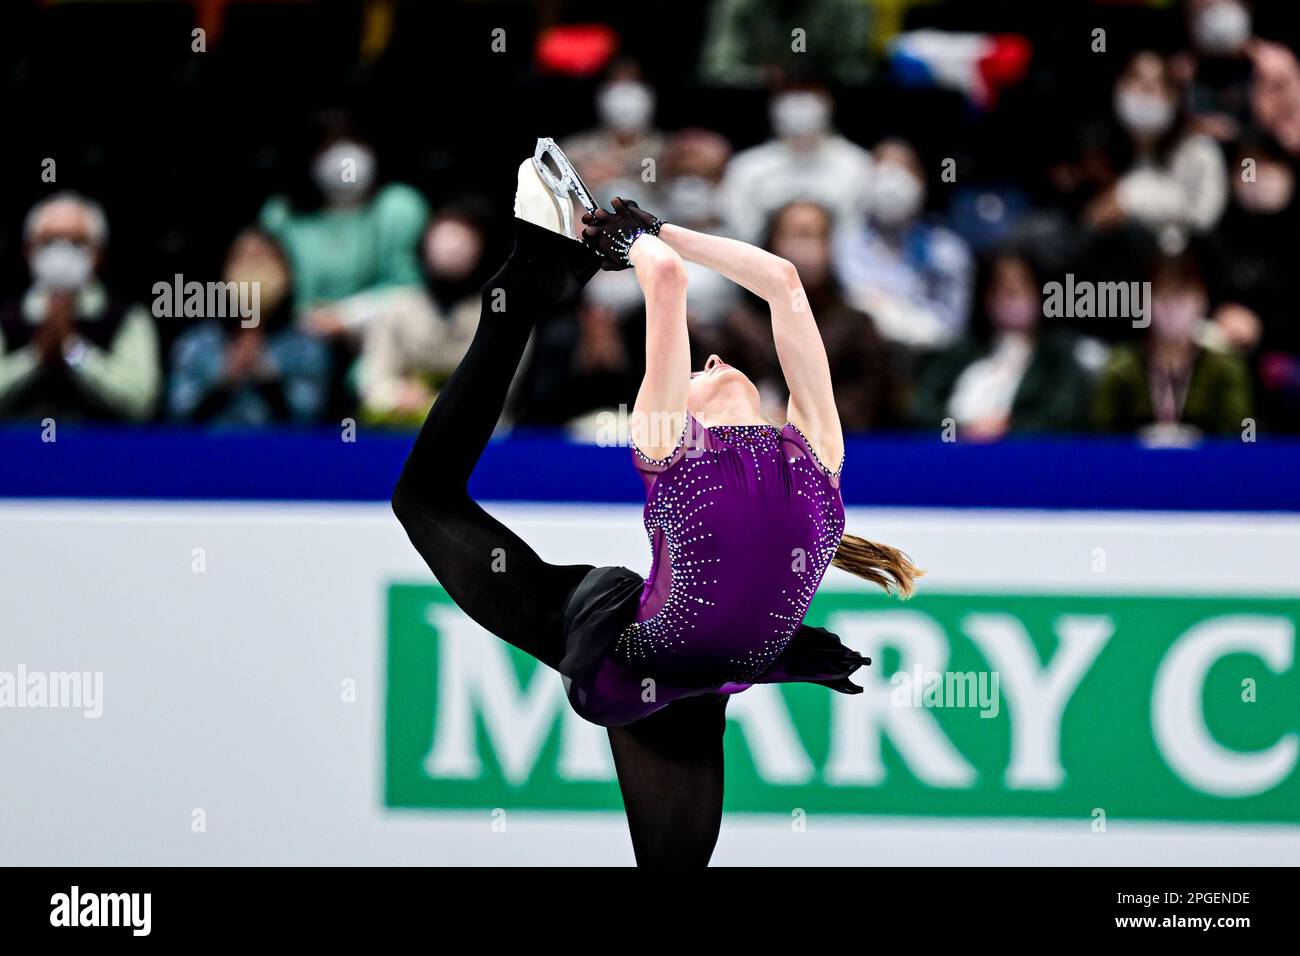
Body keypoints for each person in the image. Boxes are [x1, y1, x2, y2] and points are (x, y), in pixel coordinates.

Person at [391, 146, 921, 867]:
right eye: (702, 365)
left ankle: (519, 295)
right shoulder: (816, 455)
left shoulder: (678, 443)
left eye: (704, 366)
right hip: (677, 662)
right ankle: (511, 300)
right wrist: (649, 236)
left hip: (634, 655)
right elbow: (779, 283)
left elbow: (713, 281)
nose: (710, 362)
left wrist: (639, 239)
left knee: (425, 498)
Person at [712, 201, 897, 430]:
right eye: (797, 235)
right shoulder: (738, 324)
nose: (805, 248)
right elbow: (717, 393)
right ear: (771, 243)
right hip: (753, 445)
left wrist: (800, 419)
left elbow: (871, 397)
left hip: (841, 449)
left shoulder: (857, 326)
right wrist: (758, 415)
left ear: (829, 247)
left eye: (815, 236)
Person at [0, 192, 160, 422]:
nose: (61, 253)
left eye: (76, 242)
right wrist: (35, 357)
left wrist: (74, 352)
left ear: (98, 253)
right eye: (49, 241)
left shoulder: (128, 318)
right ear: (28, 250)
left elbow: (141, 404)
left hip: (100, 452)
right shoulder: (7, 318)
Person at [910, 250, 1093, 440]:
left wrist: (1008, 430)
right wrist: (960, 430)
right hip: (953, 453)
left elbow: (1063, 417)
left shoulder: (1056, 360)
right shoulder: (959, 353)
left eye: (1021, 288)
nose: (1011, 297)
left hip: (1025, 458)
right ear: (986, 298)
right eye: (1002, 289)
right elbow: (922, 411)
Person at [168, 229, 331, 425]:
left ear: (286, 273)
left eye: (262, 259)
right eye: (242, 258)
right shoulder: (197, 342)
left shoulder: (306, 346)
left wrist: (266, 372)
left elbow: (311, 418)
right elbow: (176, 413)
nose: (252, 269)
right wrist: (225, 376)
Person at [1091, 252, 1252, 437]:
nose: (1171, 308)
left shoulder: (1225, 368)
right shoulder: (1121, 366)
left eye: (1181, 296)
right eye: (1161, 295)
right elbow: (1099, 435)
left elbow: (1245, 433)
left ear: (1202, 300)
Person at [833, 138, 974, 350]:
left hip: (927, 360)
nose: (891, 182)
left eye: (902, 168)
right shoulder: (845, 244)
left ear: (921, 181)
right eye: (882, 169)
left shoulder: (948, 250)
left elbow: (952, 327)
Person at [717, 79, 874, 244]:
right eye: (792, 104)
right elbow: (741, 232)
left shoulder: (858, 165)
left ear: (827, 106)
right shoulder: (746, 168)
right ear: (775, 109)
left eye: (809, 104)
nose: (800, 114)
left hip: (841, 265)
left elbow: (860, 230)